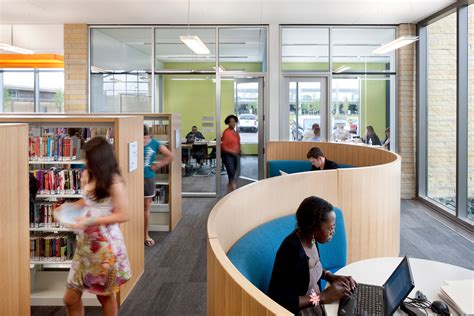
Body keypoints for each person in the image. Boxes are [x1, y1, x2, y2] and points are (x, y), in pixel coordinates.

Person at [61, 137, 131, 316]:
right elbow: (89, 202)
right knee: (70, 298)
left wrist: (90, 221)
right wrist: (69, 208)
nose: (85, 162)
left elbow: (124, 214)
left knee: (105, 297)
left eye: (89, 159)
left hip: (105, 247)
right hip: (85, 245)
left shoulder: (113, 182)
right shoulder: (88, 175)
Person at [268, 196, 357, 315]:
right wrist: (322, 297)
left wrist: (332, 277)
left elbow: (311, 269)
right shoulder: (291, 251)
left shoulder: (311, 239)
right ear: (314, 228)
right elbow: (284, 301)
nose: (333, 232)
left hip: (316, 304)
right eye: (331, 228)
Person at [144, 125, 173, 247]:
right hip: (132, 178)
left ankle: (145, 235)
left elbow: (170, 156)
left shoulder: (154, 143)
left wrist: (158, 165)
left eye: (145, 137)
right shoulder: (132, 140)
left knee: (145, 207)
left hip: (148, 178)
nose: (143, 140)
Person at [221, 114, 240, 192]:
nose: (233, 123)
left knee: (234, 170)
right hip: (227, 154)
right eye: (231, 122)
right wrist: (232, 151)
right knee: (230, 169)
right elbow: (224, 146)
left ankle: (230, 183)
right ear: (228, 123)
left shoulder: (235, 132)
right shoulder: (226, 132)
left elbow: (237, 143)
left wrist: (239, 150)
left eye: (234, 121)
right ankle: (232, 184)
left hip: (235, 154)